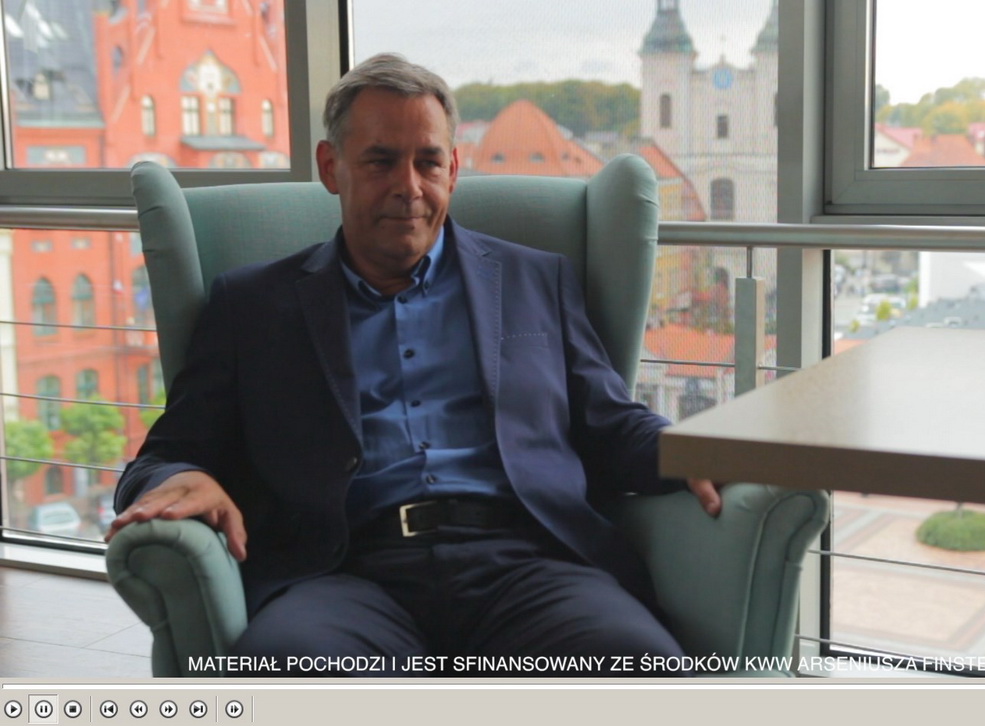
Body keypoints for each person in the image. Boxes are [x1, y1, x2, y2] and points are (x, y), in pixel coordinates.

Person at [108, 53, 722, 677]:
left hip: (528, 564)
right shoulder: (252, 305)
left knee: (641, 667)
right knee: (284, 674)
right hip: (343, 574)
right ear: (331, 167)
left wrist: (692, 450)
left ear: (452, 169)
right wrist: (183, 477)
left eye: (428, 161)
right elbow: (162, 456)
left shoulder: (535, 280)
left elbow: (612, 422)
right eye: (380, 161)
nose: (409, 187)